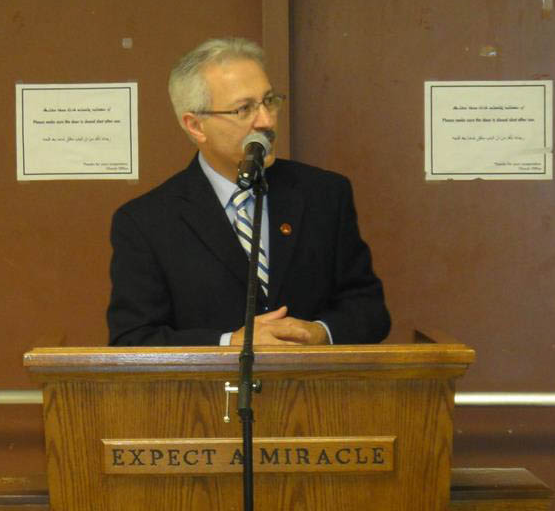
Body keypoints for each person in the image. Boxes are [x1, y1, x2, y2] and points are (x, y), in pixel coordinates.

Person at [107, 37, 390, 347]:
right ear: (196, 126)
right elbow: (133, 339)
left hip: (313, 379)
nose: (267, 121)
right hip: (213, 381)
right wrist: (230, 344)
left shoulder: (324, 195)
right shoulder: (146, 222)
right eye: (244, 109)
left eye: (269, 101)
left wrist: (321, 333)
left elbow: (369, 309)